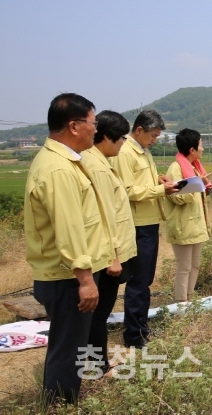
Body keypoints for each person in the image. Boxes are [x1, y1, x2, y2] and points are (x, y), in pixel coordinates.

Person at [25, 93, 115, 404]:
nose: (96, 129)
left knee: (70, 344)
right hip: (67, 277)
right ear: (74, 126)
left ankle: (64, 399)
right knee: (68, 348)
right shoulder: (59, 169)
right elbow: (69, 229)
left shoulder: (65, 161)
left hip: (70, 274)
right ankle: (60, 405)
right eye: (93, 123)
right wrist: (86, 280)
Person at [110, 110, 178, 348]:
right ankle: (134, 335)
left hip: (149, 221)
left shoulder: (143, 151)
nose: (154, 140)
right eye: (153, 135)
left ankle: (141, 327)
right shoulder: (125, 153)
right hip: (137, 224)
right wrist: (161, 190)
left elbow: (141, 183)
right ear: (139, 130)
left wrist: (158, 180)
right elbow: (127, 191)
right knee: (138, 281)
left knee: (145, 279)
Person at [81, 110, 138, 375]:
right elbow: (106, 215)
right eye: (122, 138)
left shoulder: (99, 161)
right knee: (99, 314)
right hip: (106, 255)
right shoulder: (96, 167)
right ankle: (98, 366)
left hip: (107, 251)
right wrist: (114, 257)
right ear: (107, 137)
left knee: (98, 314)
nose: (123, 144)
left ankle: (97, 363)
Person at [164, 128, 212, 302]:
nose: (203, 148)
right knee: (184, 266)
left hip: (196, 225)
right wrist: (197, 184)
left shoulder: (194, 167)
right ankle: (181, 302)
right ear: (192, 149)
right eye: (201, 145)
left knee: (195, 264)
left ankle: (189, 297)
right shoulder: (175, 169)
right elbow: (177, 197)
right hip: (183, 225)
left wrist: (204, 186)